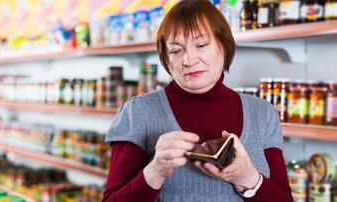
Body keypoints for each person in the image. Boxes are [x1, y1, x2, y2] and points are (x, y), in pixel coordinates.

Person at [103, 0, 293, 201]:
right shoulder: (138, 111)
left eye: (201, 45)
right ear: (167, 60)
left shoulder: (262, 113)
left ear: (225, 47)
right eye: (176, 51)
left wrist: (249, 179)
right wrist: (155, 171)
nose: (188, 59)